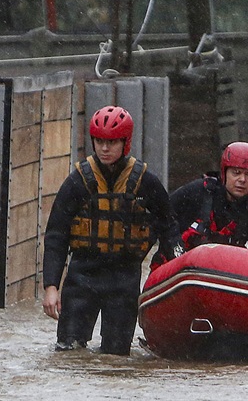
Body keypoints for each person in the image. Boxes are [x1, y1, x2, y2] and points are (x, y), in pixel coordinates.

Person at [42, 105, 182, 356]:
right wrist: (51, 286)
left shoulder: (145, 182)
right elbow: (56, 234)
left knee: (116, 356)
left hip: (123, 278)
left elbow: (168, 227)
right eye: (99, 141)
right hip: (82, 276)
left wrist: (176, 270)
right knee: (68, 353)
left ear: (125, 142)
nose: (105, 149)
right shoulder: (77, 181)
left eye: (112, 142)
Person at [168, 141, 248, 254]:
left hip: (218, 268)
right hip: (181, 262)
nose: (242, 180)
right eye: (236, 173)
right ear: (224, 173)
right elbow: (160, 219)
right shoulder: (198, 191)